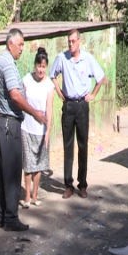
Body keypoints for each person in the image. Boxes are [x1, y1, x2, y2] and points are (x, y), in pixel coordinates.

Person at [0, 28, 46, 231]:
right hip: (9, 123)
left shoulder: (5, 60)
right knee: (12, 171)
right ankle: (10, 217)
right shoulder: (6, 63)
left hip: (5, 121)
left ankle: (3, 216)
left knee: (5, 172)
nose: (22, 49)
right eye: (20, 44)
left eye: (23, 45)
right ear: (10, 44)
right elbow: (15, 95)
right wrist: (35, 113)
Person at [50, 29, 106, 199]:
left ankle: (82, 184)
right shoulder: (62, 58)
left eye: (73, 41)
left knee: (83, 146)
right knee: (68, 146)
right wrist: (60, 94)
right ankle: (68, 185)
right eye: (69, 41)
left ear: (79, 41)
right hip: (68, 106)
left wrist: (93, 94)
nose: (71, 44)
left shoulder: (87, 59)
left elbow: (101, 77)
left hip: (82, 106)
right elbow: (52, 76)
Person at [20, 47, 54, 207]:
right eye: (39, 66)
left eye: (43, 66)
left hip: (41, 131)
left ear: (46, 67)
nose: (41, 69)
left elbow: (50, 109)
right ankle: (26, 197)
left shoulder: (49, 85)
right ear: (35, 65)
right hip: (26, 128)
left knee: (38, 166)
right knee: (28, 165)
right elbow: (21, 101)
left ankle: (35, 196)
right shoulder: (26, 80)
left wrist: (48, 132)